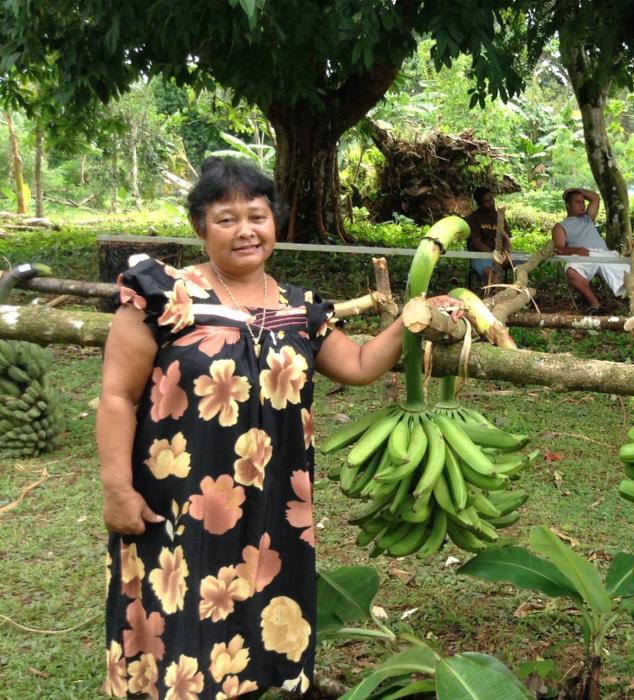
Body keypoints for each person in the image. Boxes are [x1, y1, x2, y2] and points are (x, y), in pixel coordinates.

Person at [97, 157, 458, 699]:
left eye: (257, 216)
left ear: (275, 224)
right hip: (178, 502)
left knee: (259, 607)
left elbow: (358, 366)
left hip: (272, 502)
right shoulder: (163, 296)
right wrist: (116, 488)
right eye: (226, 218)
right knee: (179, 611)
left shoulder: (300, 307)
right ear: (200, 227)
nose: (245, 230)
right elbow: (117, 396)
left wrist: (417, 314)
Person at [552, 188, 628, 313]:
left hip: (604, 254)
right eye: (578, 202)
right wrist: (576, 250)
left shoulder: (588, 218)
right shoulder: (560, 226)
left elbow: (595, 198)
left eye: (583, 202)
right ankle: (595, 305)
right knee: (571, 271)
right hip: (582, 257)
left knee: (630, 273)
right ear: (568, 205)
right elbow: (558, 249)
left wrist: (575, 190)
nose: (582, 205)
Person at [464, 187, 512, 287]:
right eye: (486, 201)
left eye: (491, 198)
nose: (491, 203)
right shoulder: (474, 218)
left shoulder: (499, 216)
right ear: (479, 204)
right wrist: (493, 255)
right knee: (486, 270)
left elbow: (506, 238)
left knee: (525, 261)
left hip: (502, 255)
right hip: (482, 256)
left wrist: (505, 252)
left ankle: (521, 287)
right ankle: (505, 292)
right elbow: (476, 242)